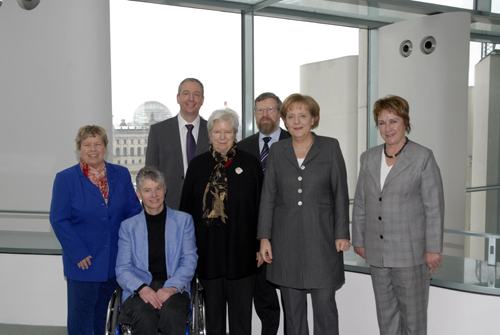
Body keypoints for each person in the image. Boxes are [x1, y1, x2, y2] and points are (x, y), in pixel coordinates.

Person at [258, 93, 350, 335]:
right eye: (291, 116)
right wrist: (264, 238)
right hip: (285, 243)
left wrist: (342, 233)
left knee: (325, 309)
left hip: (322, 243)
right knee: (293, 314)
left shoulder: (330, 146)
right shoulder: (277, 151)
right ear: (284, 121)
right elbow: (268, 196)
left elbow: (340, 193)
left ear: (313, 119)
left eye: (303, 116)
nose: (296, 121)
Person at [352, 95, 444, 335]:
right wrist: (359, 239)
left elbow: (433, 207)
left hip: (411, 255)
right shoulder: (368, 158)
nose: (388, 128)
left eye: (393, 121)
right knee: (387, 320)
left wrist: (433, 248)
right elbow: (361, 202)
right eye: (382, 123)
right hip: (377, 254)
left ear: (405, 122)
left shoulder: (422, 157)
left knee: (413, 322)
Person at [49, 125, 142, 335]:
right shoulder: (65, 179)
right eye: (87, 144)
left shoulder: (121, 173)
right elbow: (59, 219)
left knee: (105, 318)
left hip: (113, 262)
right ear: (79, 149)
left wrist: (129, 251)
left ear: (105, 147)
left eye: (98, 144)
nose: (93, 149)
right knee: (81, 320)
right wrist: (78, 252)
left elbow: (133, 213)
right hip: (83, 262)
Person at [180, 108, 263, 335]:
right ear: (210, 134)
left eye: (228, 131)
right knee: (213, 321)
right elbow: (186, 212)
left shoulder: (251, 164)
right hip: (208, 254)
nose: (223, 136)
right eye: (218, 131)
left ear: (235, 133)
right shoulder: (197, 166)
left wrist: (260, 245)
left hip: (243, 254)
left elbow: (261, 209)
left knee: (241, 320)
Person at [116, 166, 198, 335]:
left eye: (158, 189)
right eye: (147, 190)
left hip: (174, 287)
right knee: (144, 315)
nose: (154, 195)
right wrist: (142, 288)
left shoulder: (184, 221)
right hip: (139, 289)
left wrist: (170, 287)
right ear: (139, 194)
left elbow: (189, 260)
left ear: (164, 190)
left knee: (172, 313)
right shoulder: (128, 227)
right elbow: (122, 269)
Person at [238, 92, 289, 335]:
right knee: (264, 296)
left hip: (289, 231)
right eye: (260, 110)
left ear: (279, 112)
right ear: (255, 114)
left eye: (270, 109)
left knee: (292, 298)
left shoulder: (295, 140)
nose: (265, 115)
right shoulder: (243, 147)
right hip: (255, 234)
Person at [146, 78, 210, 210]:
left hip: (206, 208)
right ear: (178, 98)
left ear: (202, 100)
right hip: (169, 207)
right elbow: (150, 173)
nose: (191, 99)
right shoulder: (158, 131)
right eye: (186, 94)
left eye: (196, 94)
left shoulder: (213, 131)